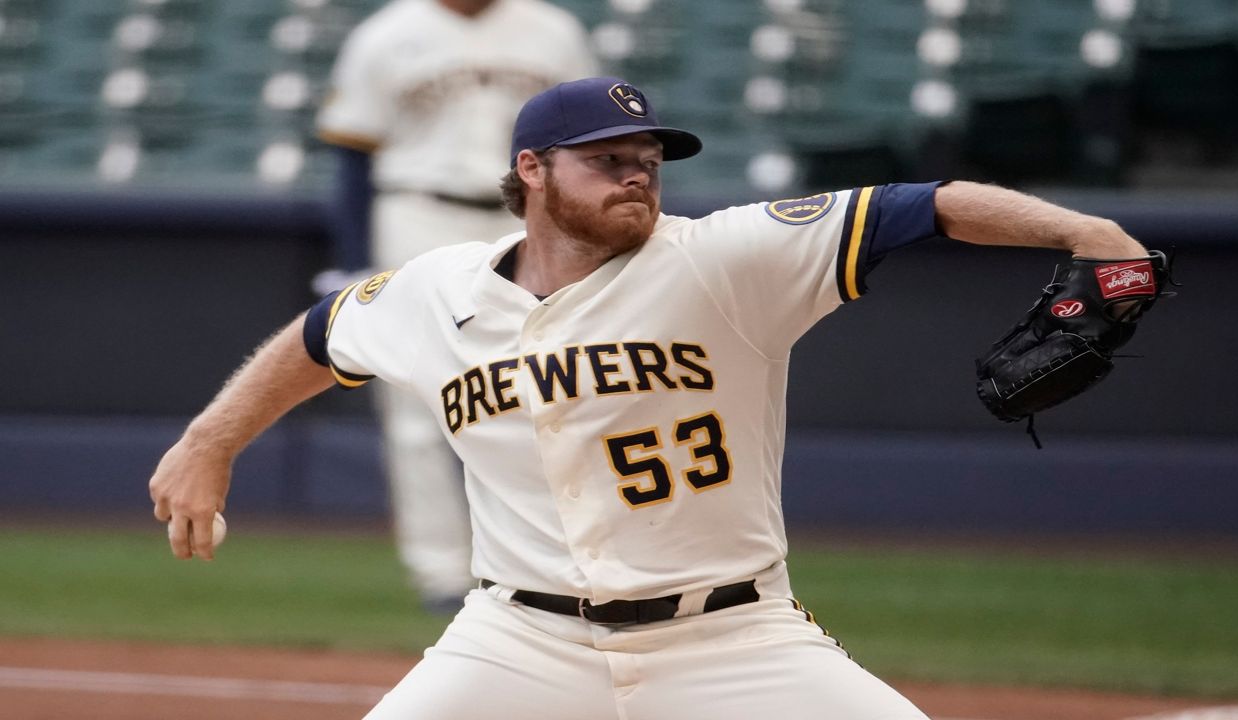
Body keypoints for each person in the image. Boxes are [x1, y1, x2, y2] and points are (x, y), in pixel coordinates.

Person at [150, 77, 1150, 719]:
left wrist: (1086, 232)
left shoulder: (726, 256)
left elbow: (923, 208)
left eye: (647, 162)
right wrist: (210, 439)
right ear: (530, 172)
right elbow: (323, 338)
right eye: (607, 162)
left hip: (731, 638)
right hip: (518, 641)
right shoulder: (437, 289)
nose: (637, 178)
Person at [313, 0, 597, 610]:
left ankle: (560, 561)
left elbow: (591, 145)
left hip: (527, 211)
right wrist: (357, 259)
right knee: (415, 401)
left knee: (555, 387)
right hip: (417, 207)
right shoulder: (386, 34)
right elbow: (352, 155)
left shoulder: (554, 29)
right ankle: (439, 572)